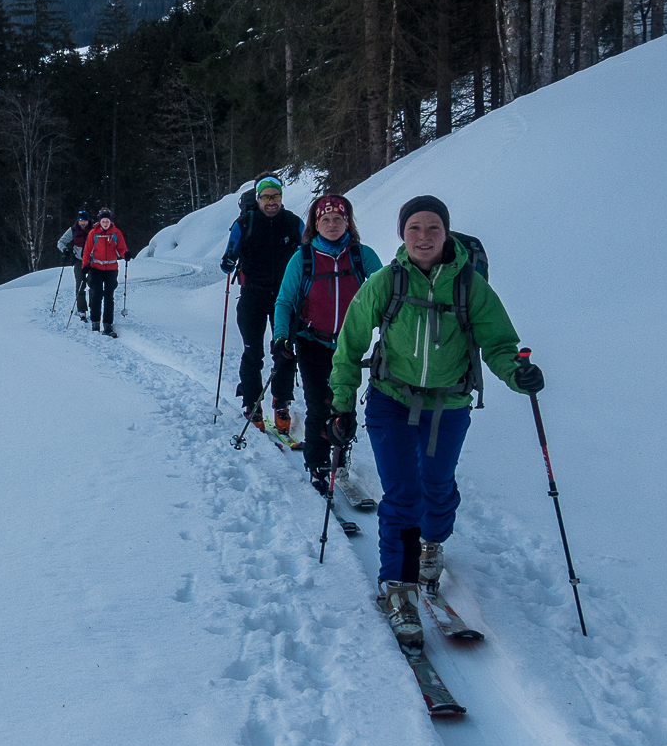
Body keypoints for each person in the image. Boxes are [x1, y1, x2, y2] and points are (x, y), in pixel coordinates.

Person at [330, 195, 541, 643]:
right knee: (404, 494)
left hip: (449, 405)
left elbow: (500, 344)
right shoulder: (387, 282)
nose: (423, 237)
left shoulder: (469, 287)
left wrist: (518, 376)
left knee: (438, 487)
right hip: (391, 400)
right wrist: (342, 404)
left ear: (446, 233)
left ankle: (433, 543)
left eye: (432, 228)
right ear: (402, 235)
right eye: (414, 229)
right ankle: (400, 588)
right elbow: (349, 345)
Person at [272, 194, 382, 494]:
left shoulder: (363, 256)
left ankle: (341, 449)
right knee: (320, 403)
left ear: (348, 222)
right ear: (315, 223)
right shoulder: (303, 258)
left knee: (343, 403)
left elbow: (386, 298)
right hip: (312, 342)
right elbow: (284, 301)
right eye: (325, 219)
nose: (332, 224)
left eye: (338, 219)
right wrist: (281, 337)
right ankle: (318, 462)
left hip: (350, 344)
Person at [219, 176, 305, 433]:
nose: (271, 202)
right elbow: (230, 252)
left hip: (284, 299)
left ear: (281, 198)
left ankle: (281, 402)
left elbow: (309, 250)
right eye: (266, 197)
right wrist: (228, 260)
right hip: (252, 296)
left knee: (285, 350)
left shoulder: (293, 222)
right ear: (257, 199)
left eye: (275, 197)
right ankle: (252, 403)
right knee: (253, 352)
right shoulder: (244, 223)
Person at [82, 208, 127, 337]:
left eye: (107, 221)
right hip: (96, 269)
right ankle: (95, 323)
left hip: (111, 269)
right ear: (100, 221)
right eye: (103, 221)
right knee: (96, 295)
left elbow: (121, 248)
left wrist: (126, 255)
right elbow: (87, 250)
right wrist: (85, 265)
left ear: (110, 221)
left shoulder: (116, 233)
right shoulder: (93, 234)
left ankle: (107, 324)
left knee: (109, 297)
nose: (105, 223)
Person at [55, 209, 94, 316]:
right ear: (78, 220)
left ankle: (93, 306)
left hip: (92, 261)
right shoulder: (73, 229)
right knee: (80, 284)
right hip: (79, 260)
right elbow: (61, 242)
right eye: (81, 220)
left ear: (88, 220)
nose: (83, 223)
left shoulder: (94, 229)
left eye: (85, 221)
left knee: (93, 283)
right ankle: (82, 310)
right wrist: (65, 249)